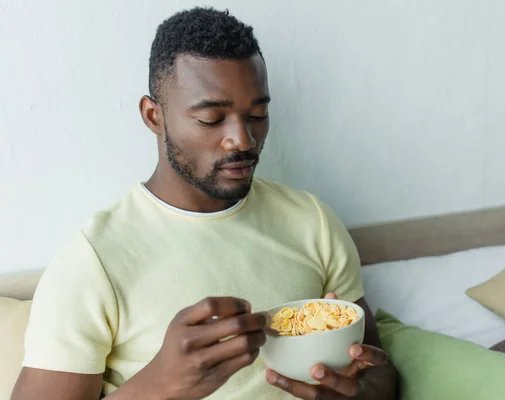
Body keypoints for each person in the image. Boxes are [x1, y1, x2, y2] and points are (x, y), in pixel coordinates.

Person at [11, 7, 399, 400]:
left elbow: (381, 373)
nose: (243, 139)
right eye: (212, 119)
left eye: (257, 114)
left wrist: (355, 391)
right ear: (153, 116)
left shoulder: (311, 221)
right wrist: (158, 385)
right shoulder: (95, 260)